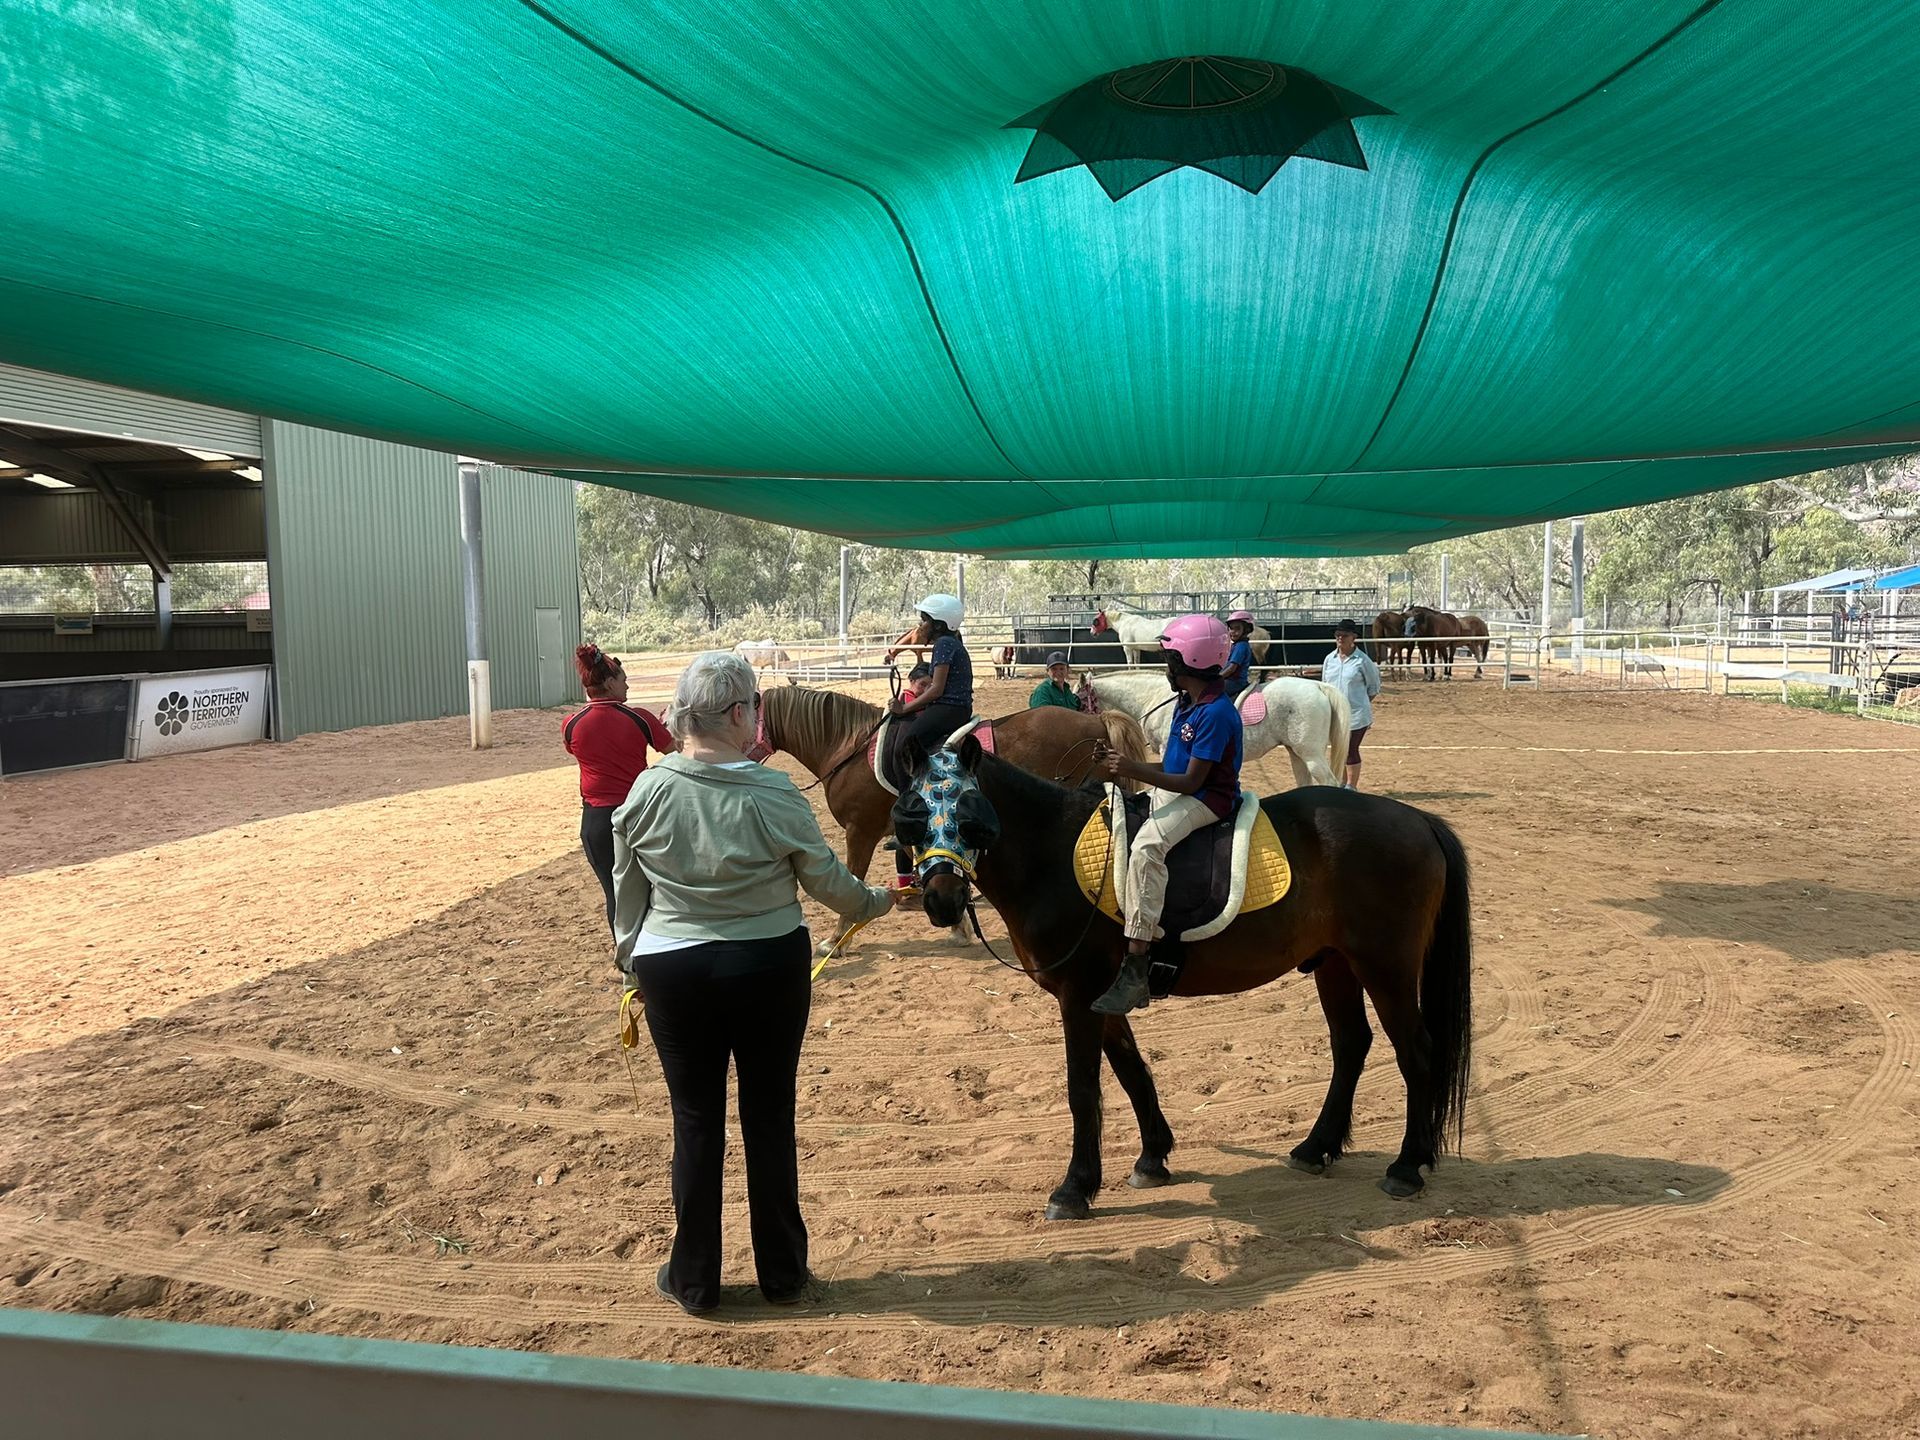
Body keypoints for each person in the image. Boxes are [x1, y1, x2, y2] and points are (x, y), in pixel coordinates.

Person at [612, 652, 899, 1316]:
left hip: (673, 970)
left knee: (694, 1122)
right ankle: (781, 1272)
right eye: (756, 711)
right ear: (740, 713)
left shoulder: (646, 792)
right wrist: (879, 901)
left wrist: (632, 967)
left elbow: (627, 902)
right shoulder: (771, 793)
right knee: (769, 1119)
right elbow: (832, 886)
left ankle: (695, 1279)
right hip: (766, 966)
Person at [1089, 615, 1243, 1015]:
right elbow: (1172, 767)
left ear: (1186, 662)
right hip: (1182, 788)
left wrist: (1130, 769)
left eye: (1169, 660)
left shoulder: (1215, 713)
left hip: (1210, 800)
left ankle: (1137, 963)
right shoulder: (1187, 702)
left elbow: (1191, 783)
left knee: (1146, 849)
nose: (1166, 667)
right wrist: (1121, 767)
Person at [564, 643, 674, 934]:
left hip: (596, 820)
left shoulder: (572, 724)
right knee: (652, 887)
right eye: (624, 680)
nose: (627, 686)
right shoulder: (639, 717)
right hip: (639, 813)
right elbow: (674, 749)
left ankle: (628, 961)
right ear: (610, 682)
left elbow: (577, 752)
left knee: (614, 892)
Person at [885, 593, 973, 755]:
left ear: (938, 625)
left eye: (924, 620)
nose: (920, 626)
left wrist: (904, 708)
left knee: (906, 746)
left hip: (948, 708)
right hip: (957, 708)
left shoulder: (943, 644)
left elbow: (936, 689)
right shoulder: (952, 643)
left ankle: (922, 780)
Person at [1320, 619, 1382, 790]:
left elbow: (1373, 687)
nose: (1340, 638)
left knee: (1350, 749)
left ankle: (1351, 786)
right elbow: (1325, 684)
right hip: (1333, 712)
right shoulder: (1329, 659)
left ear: (1353, 637)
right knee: (1338, 750)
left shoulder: (1363, 661)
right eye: (1338, 635)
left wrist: (1360, 705)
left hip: (1356, 714)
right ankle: (1341, 783)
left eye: (1344, 635)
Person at [1221, 610, 1257, 697]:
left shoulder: (1241, 646)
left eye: (1237, 628)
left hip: (1235, 682)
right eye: (1231, 628)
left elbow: (1231, 669)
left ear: (1246, 630)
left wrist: (1217, 677)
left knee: (1210, 691)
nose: (1233, 631)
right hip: (1232, 680)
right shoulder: (1237, 645)